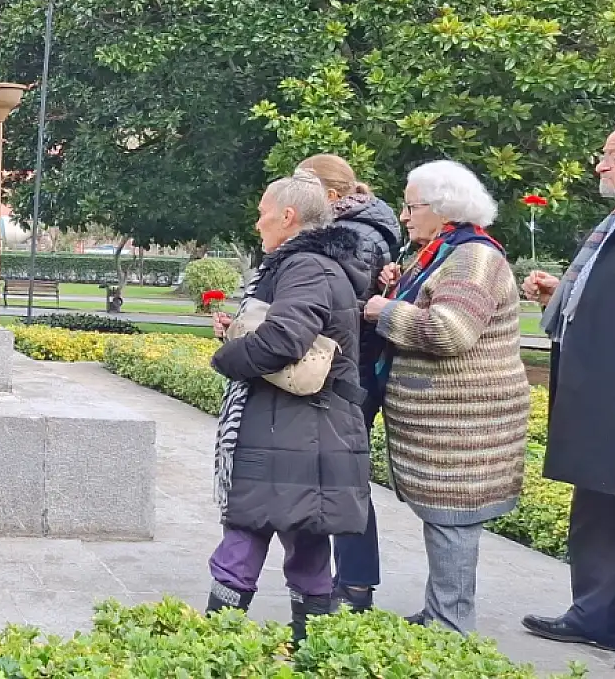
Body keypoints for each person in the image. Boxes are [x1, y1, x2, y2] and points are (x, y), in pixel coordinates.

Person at [521, 122, 615, 676]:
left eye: (613, 156)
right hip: (599, 393)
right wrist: (560, 293)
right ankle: (596, 615)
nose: (601, 166)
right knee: (598, 510)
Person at [362, 161, 529, 634]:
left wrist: (385, 310)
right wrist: (398, 288)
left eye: (411, 206)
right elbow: (431, 303)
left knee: (453, 519)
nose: (404, 215)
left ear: (442, 207)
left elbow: (449, 330)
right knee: (443, 519)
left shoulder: (473, 258)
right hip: (446, 424)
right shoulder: (442, 252)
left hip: (466, 427)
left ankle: (451, 625)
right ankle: (441, 610)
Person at [206, 171, 371, 645]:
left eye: (262, 213)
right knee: (308, 545)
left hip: (296, 429)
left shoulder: (307, 267)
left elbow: (283, 339)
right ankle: (311, 654)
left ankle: (211, 654)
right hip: (311, 431)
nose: (258, 223)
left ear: (288, 216)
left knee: (245, 538)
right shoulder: (316, 264)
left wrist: (227, 358)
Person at [297, 154, 403, 612]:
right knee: (340, 475)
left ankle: (356, 582)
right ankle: (349, 578)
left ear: (333, 196)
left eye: (304, 186)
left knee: (343, 476)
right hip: (351, 368)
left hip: (348, 372)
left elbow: (342, 306)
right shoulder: (361, 228)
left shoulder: (356, 236)